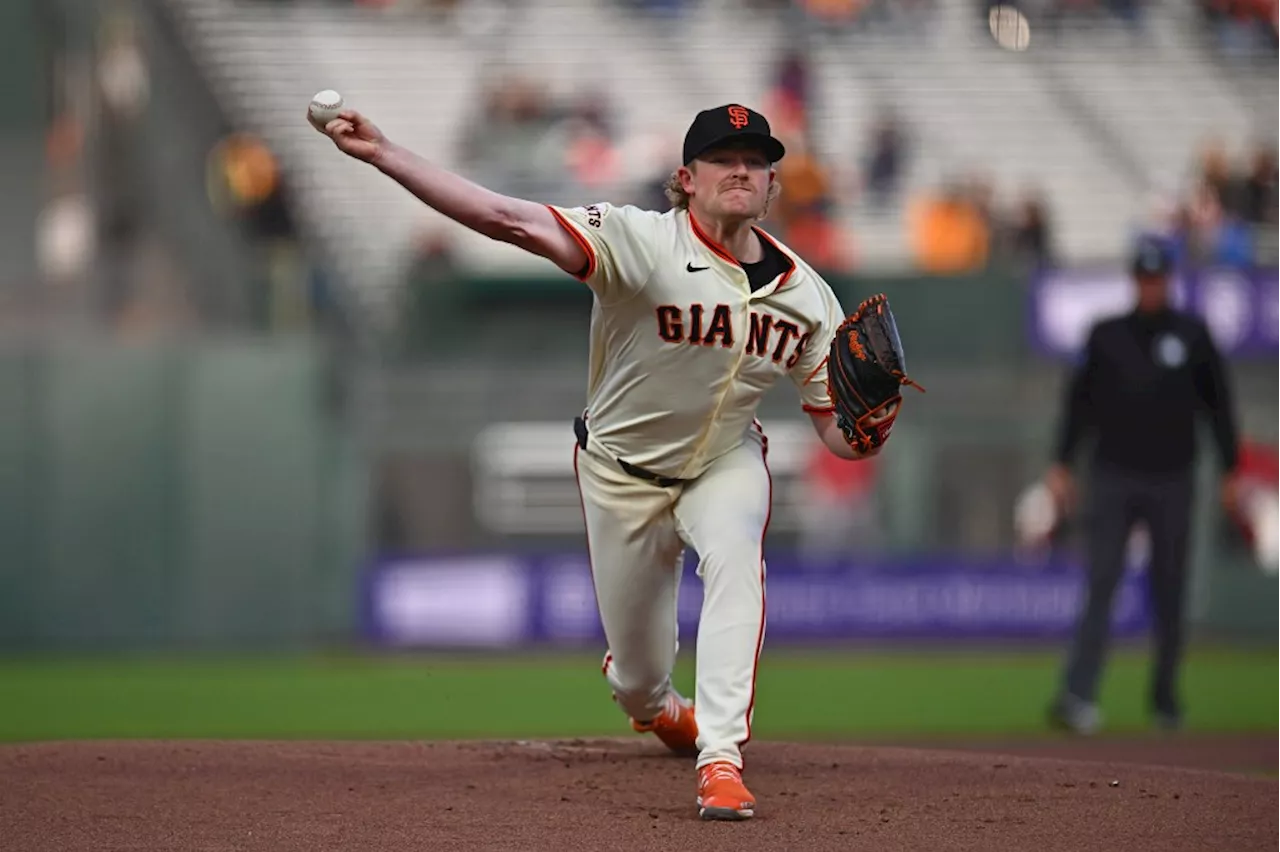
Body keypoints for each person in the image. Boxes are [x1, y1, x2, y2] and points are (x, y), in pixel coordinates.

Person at [312, 102, 885, 820]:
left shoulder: (808, 297)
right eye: (723, 158)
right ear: (687, 177)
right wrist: (385, 153)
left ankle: (721, 760)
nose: (741, 169)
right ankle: (659, 705)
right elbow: (507, 219)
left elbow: (837, 428)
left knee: (738, 558)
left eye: (756, 160)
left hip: (723, 463)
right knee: (640, 684)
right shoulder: (638, 241)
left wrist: (868, 429)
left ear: (773, 183)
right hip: (622, 473)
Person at [1041, 235, 1242, 736]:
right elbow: (1078, 406)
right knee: (1101, 582)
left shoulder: (1193, 336)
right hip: (1113, 474)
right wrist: (1062, 463)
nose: (1150, 287)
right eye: (1143, 278)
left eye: (1157, 278)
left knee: (1170, 589)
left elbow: (1220, 408)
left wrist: (1230, 470)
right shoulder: (1105, 336)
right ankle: (1079, 695)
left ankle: (1166, 700)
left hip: (1174, 476)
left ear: (1168, 280)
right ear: (1134, 281)